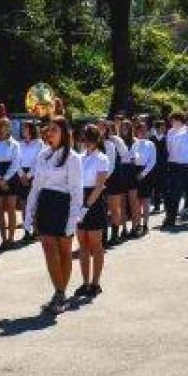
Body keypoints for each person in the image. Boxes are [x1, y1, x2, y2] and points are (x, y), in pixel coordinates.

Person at [23, 118, 84, 313]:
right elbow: (36, 186)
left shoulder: (73, 157)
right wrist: (29, 212)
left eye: (54, 130)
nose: (50, 133)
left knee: (64, 252)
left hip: (63, 206)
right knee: (49, 250)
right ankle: (59, 293)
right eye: (48, 130)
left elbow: (76, 191)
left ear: (64, 133)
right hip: (45, 204)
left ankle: (60, 293)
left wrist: (73, 220)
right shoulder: (43, 155)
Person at [75, 124, 110, 299]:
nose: (87, 143)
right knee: (82, 243)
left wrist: (86, 206)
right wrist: (76, 205)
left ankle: (95, 283)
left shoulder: (102, 158)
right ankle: (85, 282)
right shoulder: (79, 158)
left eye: (90, 139)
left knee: (95, 244)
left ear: (97, 140)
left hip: (94, 202)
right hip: (79, 199)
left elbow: (99, 187)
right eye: (85, 139)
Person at [0, 115, 21, 249]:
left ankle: (11, 238)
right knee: (0, 209)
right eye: (2, 126)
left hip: (11, 176)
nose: (4, 129)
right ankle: (3, 239)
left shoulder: (15, 144)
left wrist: (6, 178)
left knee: (11, 209)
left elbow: (16, 163)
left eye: (7, 126)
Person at [16, 121, 44, 243]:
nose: (24, 130)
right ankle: (27, 230)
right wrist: (22, 174)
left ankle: (37, 230)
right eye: (23, 128)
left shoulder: (39, 143)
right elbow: (16, 160)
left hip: (34, 174)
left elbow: (38, 160)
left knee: (35, 202)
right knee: (24, 203)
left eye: (26, 128)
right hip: (21, 174)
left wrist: (28, 175)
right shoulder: (19, 144)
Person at [130, 120, 158, 236]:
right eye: (139, 130)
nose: (142, 132)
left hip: (146, 172)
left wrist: (144, 173)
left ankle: (146, 224)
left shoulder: (150, 144)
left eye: (144, 130)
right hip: (135, 171)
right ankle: (138, 224)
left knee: (145, 200)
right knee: (136, 200)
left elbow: (152, 161)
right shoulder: (134, 143)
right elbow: (130, 156)